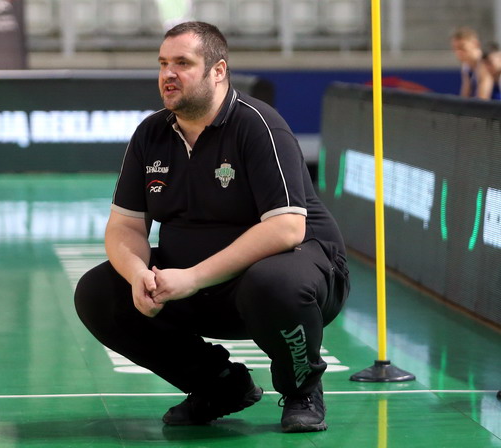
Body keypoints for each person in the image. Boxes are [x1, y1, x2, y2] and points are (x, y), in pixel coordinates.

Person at [74, 21, 349, 433]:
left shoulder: (259, 125)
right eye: (163, 63)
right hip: (197, 284)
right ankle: (220, 386)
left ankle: (301, 390)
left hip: (292, 277)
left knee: (274, 283)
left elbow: (287, 229)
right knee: (98, 293)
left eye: (182, 63)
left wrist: (193, 277)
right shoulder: (151, 133)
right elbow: (125, 227)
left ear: (218, 71)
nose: (168, 74)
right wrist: (137, 274)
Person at [450, 26, 499, 100]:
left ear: (475, 44)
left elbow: (483, 100)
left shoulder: (485, 64)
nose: (458, 52)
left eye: (462, 47)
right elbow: (464, 97)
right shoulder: (466, 66)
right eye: (455, 48)